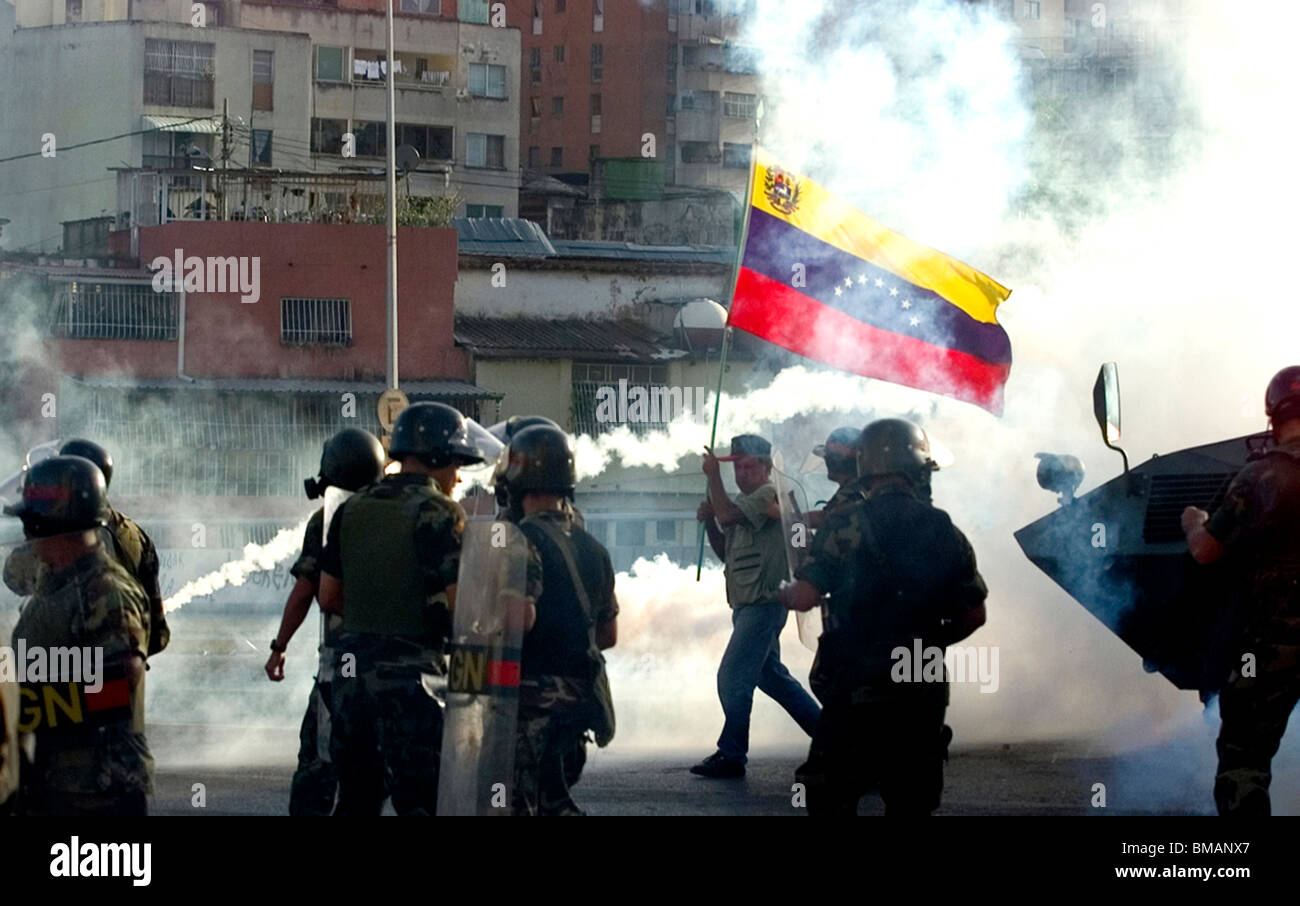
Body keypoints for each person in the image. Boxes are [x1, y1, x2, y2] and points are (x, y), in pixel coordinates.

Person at [781, 419, 987, 815]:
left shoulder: (845, 522)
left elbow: (806, 595)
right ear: (918, 470)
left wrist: (784, 593)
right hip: (921, 680)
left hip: (855, 677)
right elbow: (974, 614)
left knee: (828, 794)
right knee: (912, 799)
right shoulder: (944, 528)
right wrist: (926, 644)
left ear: (865, 468)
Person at [318, 403, 488, 816]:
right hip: (413, 684)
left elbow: (328, 597)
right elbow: (463, 607)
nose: (458, 476)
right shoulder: (440, 513)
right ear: (434, 457)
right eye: (454, 463)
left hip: (350, 681)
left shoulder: (350, 508)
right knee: (421, 802)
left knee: (356, 800)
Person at [4, 455, 153, 816]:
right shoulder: (56, 583)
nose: (26, 535)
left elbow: (121, 683)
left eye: (30, 523)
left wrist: (25, 707)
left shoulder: (105, 592)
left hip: (96, 792)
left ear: (47, 523)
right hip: (55, 783)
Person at [1183, 365, 1300, 816]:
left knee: (1244, 757)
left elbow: (1208, 552)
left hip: (1271, 645)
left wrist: (1194, 523)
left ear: (1272, 417)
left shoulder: (1260, 477)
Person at [266, 428, 386, 816]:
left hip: (340, 668)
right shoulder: (397, 515)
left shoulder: (329, 519)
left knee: (317, 769)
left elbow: (307, 591)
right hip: (393, 668)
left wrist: (278, 647)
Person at [500, 423, 617, 815]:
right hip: (578, 705)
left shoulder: (519, 540)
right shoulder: (594, 548)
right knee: (553, 802)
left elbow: (519, 619)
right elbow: (609, 635)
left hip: (529, 708)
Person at [691, 434, 821, 779]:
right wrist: (710, 524)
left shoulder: (765, 494)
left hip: (763, 604)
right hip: (748, 605)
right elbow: (726, 554)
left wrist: (713, 478)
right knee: (772, 678)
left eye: (749, 466)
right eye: (737, 467)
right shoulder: (744, 502)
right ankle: (833, 741)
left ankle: (732, 753)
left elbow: (729, 516)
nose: (742, 473)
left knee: (733, 676)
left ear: (766, 468)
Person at [806, 427, 863, 530]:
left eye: (828, 458)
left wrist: (793, 520)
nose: (826, 462)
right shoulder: (856, 486)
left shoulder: (854, 490)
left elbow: (825, 518)